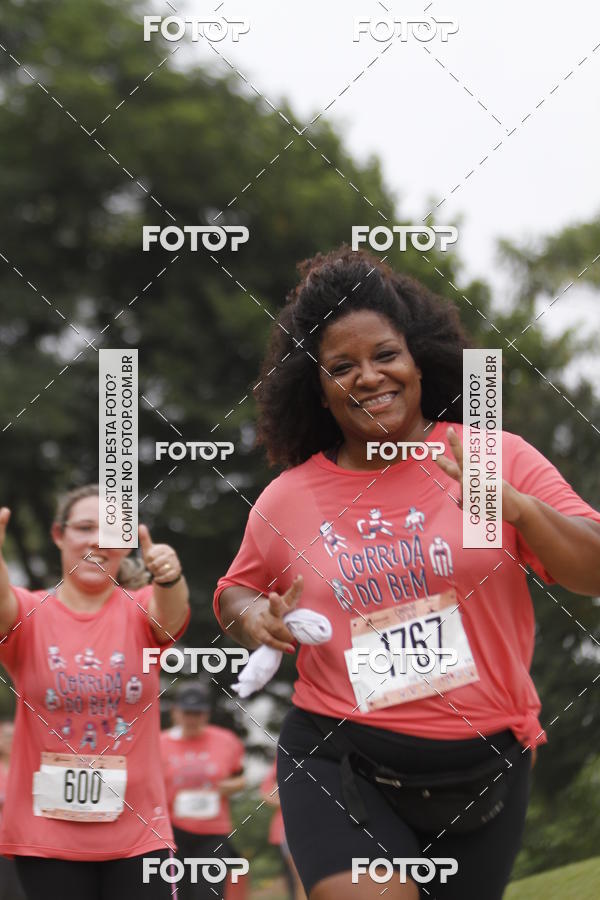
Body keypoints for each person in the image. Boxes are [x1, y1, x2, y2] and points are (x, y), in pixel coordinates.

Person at [213, 247, 600, 900]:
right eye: (343, 366)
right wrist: (253, 616)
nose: (368, 377)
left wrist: (524, 511)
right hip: (339, 754)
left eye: (384, 355)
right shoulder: (290, 497)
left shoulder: (491, 457)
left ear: (419, 361)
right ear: (320, 389)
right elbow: (235, 591)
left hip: (483, 764)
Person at [0, 484, 190, 900]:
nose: (96, 542)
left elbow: (171, 615)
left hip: (141, 834)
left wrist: (170, 575)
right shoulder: (28, 615)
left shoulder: (142, 611)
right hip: (47, 834)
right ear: (58, 535)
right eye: (85, 527)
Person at [160, 682, 248, 900]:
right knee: (176, 894)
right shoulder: (159, 743)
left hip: (212, 832)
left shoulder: (226, 740)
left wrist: (229, 787)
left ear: (206, 714)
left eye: (197, 713)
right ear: (175, 713)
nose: (192, 719)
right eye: (187, 713)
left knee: (208, 894)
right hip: (172, 832)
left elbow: (240, 779)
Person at [260, 759, 306, 900]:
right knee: (301, 878)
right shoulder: (282, 760)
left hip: (322, 826)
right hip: (288, 828)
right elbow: (267, 795)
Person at [0, 718, 26, 900]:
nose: (9, 740)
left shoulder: (24, 769)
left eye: (12, 735)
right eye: (5, 736)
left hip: (20, 843)